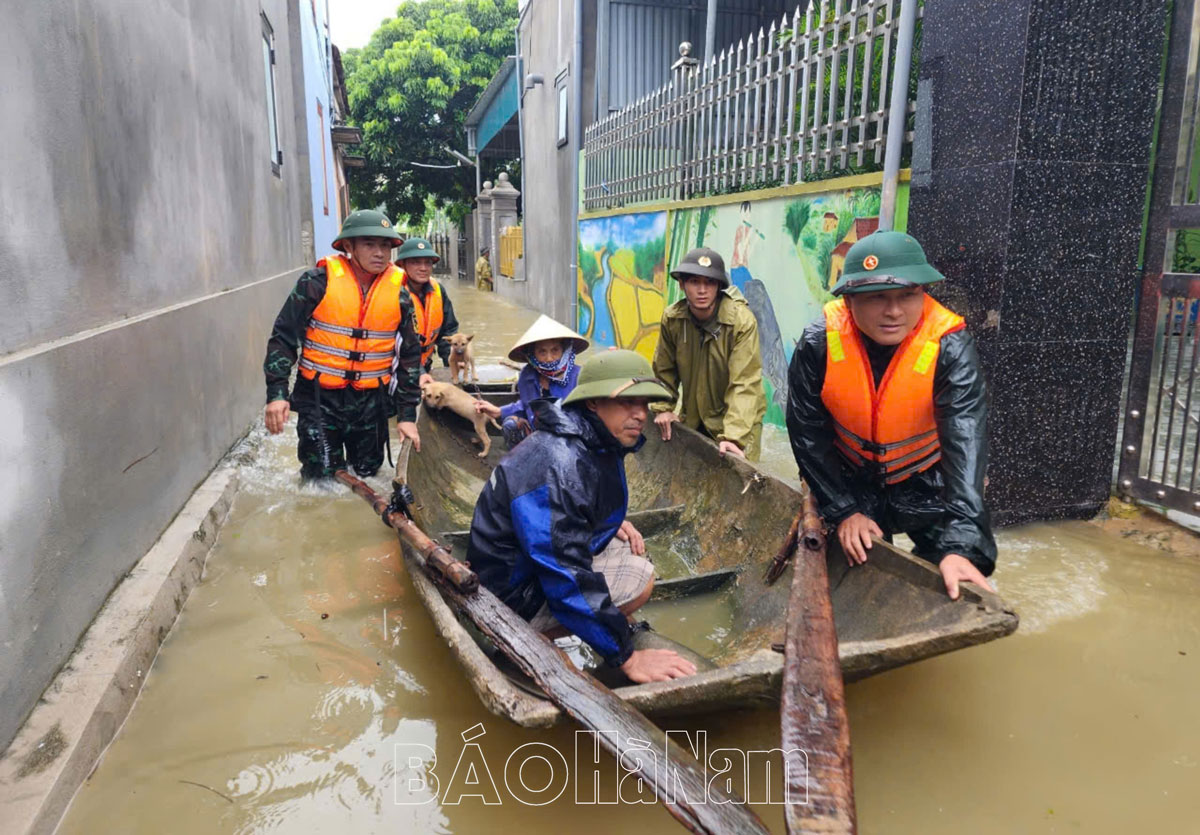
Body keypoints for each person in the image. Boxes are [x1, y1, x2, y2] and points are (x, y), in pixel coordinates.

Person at [785, 230, 996, 600]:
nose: (894, 311)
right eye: (877, 297)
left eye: (907, 295)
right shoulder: (818, 344)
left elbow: (965, 438)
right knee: (848, 574)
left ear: (923, 294)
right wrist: (843, 509)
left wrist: (963, 544)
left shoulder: (951, 347)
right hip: (852, 480)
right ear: (849, 299)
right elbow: (807, 433)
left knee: (955, 563)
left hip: (926, 483)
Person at [467, 350, 697, 683]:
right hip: (510, 596)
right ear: (592, 403)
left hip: (521, 568)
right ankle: (527, 643)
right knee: (641, 578)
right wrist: (625, 656)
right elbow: (566, 573)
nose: (640, 415)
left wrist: (610, 522)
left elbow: (570, 515)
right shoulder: (560, 462)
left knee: (628, 546)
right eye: (627, 403)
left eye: (644, 404)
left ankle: (581, 626)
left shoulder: (586, 437)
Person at [263, 210, 422, 480]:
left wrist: (407, 415)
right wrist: (277, 394)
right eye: (370, 244)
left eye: (385, 245)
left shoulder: (401, 295)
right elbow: (283, 337)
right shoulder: (315, 284)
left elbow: (409, 358)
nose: (380, 253)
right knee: (320, 480)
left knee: (368, 476)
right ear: (348, 246)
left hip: (373, 404)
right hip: (319, 399)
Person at [651, 247, 768, 460]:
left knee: (742, 480)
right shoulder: (673, 319)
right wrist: (663, 408)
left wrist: (734, 437)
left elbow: (745, 383)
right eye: (695, 282)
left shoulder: (741, 321)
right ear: (682, 284)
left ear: (719, 287)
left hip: (740, 420)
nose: (702, 290)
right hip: (695, 413)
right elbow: (664, 369)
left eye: (709, 282)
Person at [474, 314, 588, 448]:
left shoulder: (579, 376)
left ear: (564, 350)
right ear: (533, 355)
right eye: (542, 352)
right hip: (539, 434)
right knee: (511, 425)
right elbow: (527, 405)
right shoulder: (528, 375)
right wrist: (499, 411)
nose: (549, 358)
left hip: (573, 436)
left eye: (555, 350)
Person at [394, 236, 459, 387]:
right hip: (398, 371)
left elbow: (448, 331)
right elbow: (398, 344)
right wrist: (420, 372)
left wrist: (453, 362)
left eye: (427, 263)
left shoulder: (438, 291)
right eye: (416, 262)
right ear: (402, 265)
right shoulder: (394, 294)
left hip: (425, 364)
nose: (423, 268)